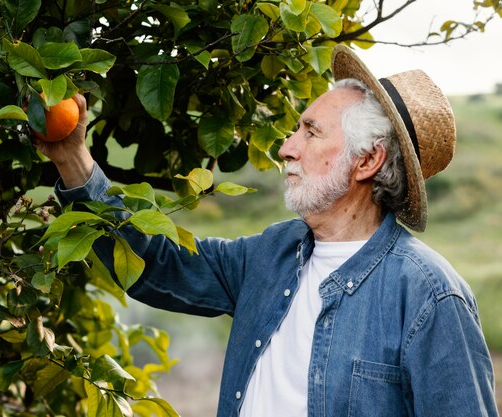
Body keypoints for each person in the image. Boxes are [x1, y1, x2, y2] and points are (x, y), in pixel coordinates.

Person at [37, 45, 498, 417]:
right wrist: (71, 158)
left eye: (311, 133)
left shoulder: (429, 297)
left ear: (367, 160)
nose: (285, 147)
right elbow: (158, 263)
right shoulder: (272, 253)